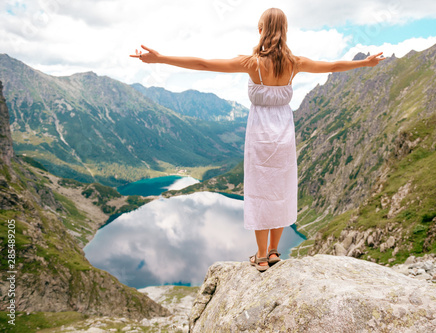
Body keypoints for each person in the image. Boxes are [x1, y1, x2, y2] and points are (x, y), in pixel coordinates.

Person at [131, 8, 385, 272]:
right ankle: (275, 252)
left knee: (260, 192)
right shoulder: (295, 63)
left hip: (260, 138)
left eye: (259, 27)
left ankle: (261, 256)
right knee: (281, 191)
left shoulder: (252, 63)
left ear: (263, 30)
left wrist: (160, 59)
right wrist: (365, 63)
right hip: (284, 137)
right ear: (284, 31)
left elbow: (204, 64)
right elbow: (332, 66)